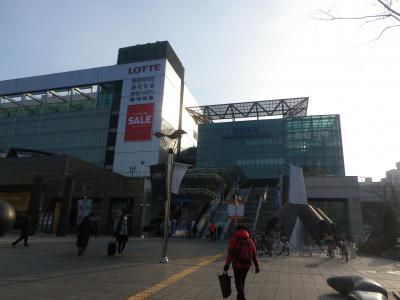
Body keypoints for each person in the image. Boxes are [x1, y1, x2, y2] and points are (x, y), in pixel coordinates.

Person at [224, 224, 260, 300]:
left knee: (238, 282)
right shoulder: (249, 240)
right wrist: (257, 266)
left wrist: (226, 265)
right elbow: (253, 254)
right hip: (247, 265)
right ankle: (239, 298)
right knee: (242, 281)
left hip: (237, 264)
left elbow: (230, 253)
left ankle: (242, 297)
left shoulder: (234, 239)